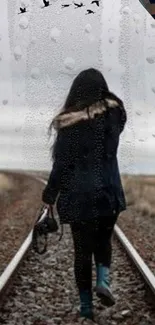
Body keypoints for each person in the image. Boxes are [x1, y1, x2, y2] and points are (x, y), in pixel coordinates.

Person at [42, 68, 127, 321]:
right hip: (108, 193)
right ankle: (103, 281)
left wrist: (50, 194)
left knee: (82, 252)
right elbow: (119, 112)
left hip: (79, 197)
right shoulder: (113, 117)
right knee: (104, 242)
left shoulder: (68, 125)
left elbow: (62, 166)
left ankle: (86, 307)